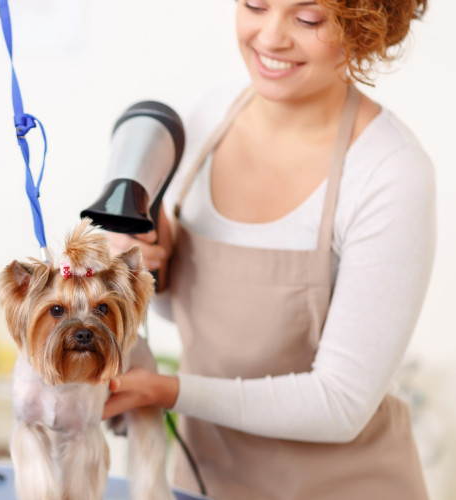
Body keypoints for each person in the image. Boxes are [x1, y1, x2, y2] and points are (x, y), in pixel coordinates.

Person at [102, 0, 435, 498]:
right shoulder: (206, 120)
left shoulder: (389, 172)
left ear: (364, 25)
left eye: (308, 19)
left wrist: (166, 391)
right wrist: (156, 269)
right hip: (204, 481)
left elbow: (340, 403)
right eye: (255, 5)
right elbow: (210, 327)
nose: (271, 37)